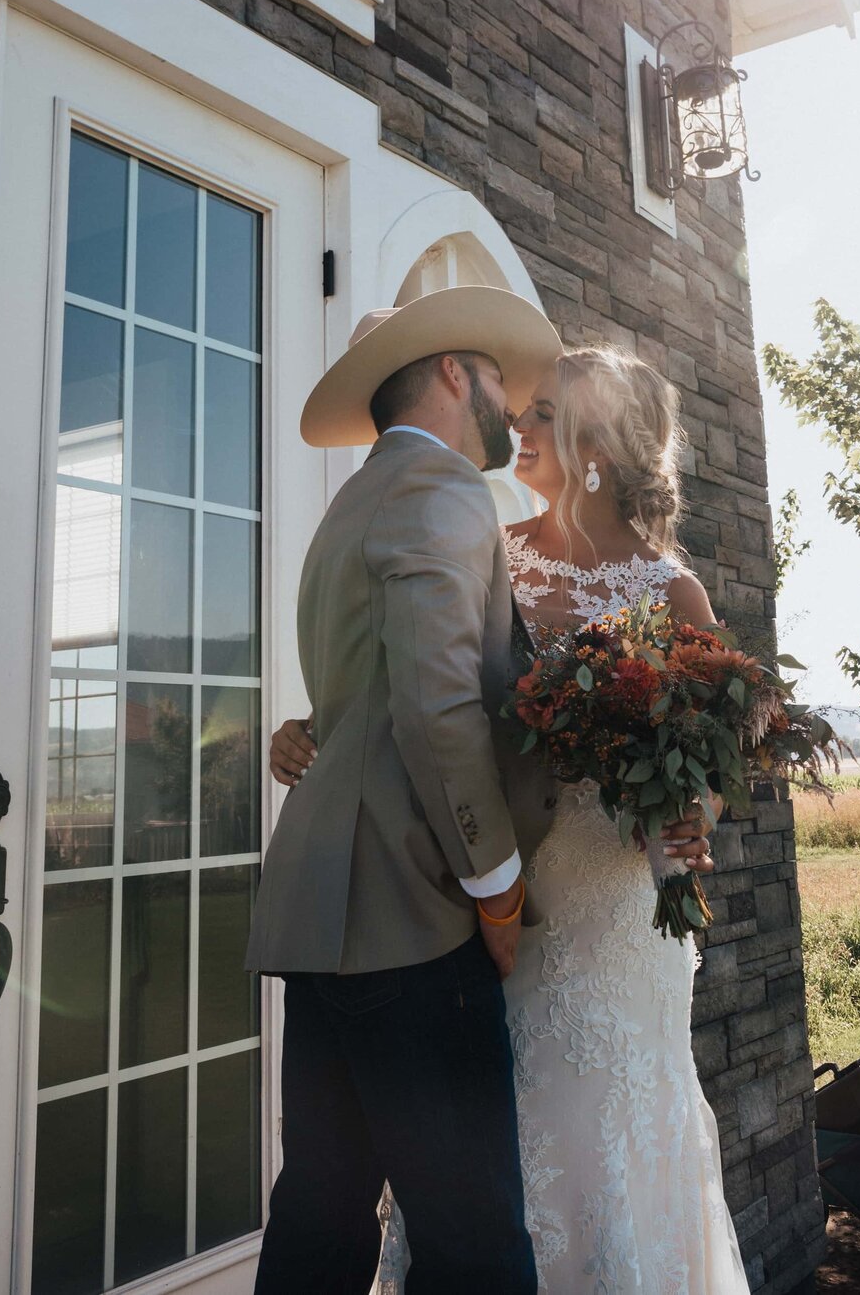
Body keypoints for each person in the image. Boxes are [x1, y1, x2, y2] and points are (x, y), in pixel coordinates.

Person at [272, 342, 746, 1294]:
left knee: (601, 1156)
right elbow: (423, 677)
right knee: (490, 1183)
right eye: (519, 410)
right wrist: (313, 726)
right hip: (495, 912)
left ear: (596, 441)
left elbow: (713, 764)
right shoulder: (496, 546)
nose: (518, 428)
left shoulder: (674, 591)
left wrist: (692, 814)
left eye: (541, 415)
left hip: (611, 912)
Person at [248, 285, 563, 1294]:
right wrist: (497, 889)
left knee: (319, 1222)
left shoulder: (352, 504)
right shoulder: (445, 490)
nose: (512, 411)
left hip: (324, 920)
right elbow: (436, 712)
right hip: (416, 921)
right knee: (476, 1250)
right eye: (498, 384)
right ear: (452, 372)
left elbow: (370, 702)